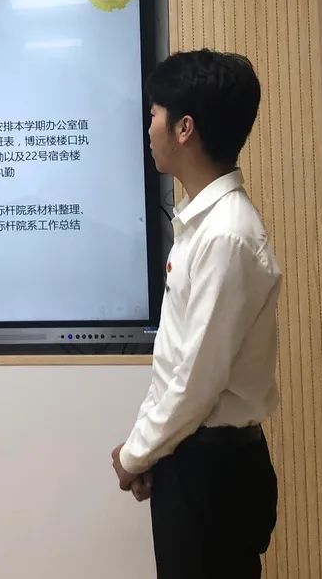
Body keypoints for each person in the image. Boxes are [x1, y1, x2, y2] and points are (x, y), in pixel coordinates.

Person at [111, 49, 281, 579]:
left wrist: (134, 456)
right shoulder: (203, 225)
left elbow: (195, 381)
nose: (149, 129)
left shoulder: (226, 235)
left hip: (213, 469)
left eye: (155, 115)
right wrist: (149, 449)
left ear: (184, 128)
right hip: (192, 457)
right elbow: (175, 365)